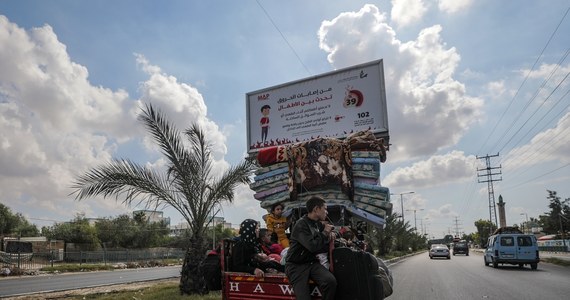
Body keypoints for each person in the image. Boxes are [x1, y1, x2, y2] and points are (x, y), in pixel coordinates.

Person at [285, 197, 336, 300]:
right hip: (296, 266)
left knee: (330, 281)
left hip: (311, 263)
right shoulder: (301, 224)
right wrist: (325, 233)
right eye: (325, 209)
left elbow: (324, 237)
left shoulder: (317, 224)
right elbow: (312, 246)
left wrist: (331, 234)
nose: (327, 212)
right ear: (316, 209)